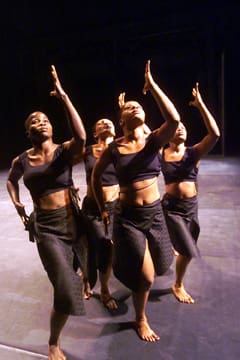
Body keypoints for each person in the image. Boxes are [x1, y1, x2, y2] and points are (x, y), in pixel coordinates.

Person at [92, 60, 181, 342]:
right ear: (122, 120)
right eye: (129, 107)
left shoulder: (153, 141)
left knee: (160, 261)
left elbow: (175, 120)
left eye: (139, 105)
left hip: (154, 213)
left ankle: (128, 270)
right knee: (146, 277)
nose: (136, 108)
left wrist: (151, 86)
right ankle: (140, 318)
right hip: (127, 216)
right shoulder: (114, 148)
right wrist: (102, 209)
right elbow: (95, 178)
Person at [6, 65, 87, 360]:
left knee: (80, 270)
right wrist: (17, 204)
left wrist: (63, 96)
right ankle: (53, 342)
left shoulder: (63, 151)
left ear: (52, 127)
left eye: (45, 120)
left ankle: (87, 285)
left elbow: (81, 137)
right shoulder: (21, 160)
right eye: (35, 122)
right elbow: (10, 181)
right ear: (28, 132)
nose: (41, 123)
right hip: (46, 228)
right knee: (64, 289)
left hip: (72, 221)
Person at [161, 82, 220, 304]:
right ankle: (178, 285)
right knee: (187, 250)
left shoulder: (193, 152)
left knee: (186, 246)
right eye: (177, 127)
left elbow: (214, 134)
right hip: (171, 207)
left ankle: (174, 245)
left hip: (190, 206)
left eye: (184, 127)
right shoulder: (161, 152)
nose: (181, 128)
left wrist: (201, 105)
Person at [81, 118, 119, 309]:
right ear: (95, 133)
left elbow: (145, 134)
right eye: (100, 123)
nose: (105, 123)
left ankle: (103, 288)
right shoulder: (87, 150)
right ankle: (88, 279)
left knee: (106, 246)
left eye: (109, 121)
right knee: (89, 244)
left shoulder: (121, 148)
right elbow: (63, 164)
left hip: (114, 207)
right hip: (91, 208)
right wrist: (68, 185)